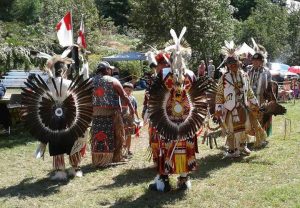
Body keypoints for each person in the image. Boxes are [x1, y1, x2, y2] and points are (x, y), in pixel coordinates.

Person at [147, 27, 216, 191]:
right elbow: (199, 98)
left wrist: (151, 114)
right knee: (182, 148)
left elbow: (154, 97)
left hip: (167, 121)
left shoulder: (163, 73)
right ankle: (183, 180)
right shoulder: (190, 74)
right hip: (184, 121)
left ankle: (164, 180)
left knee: (166, 148)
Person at [22, 57, 93, 180]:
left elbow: (38, 103)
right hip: (70, 119)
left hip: (51, 120)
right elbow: (78, 102)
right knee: (72, 142)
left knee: (56, 142)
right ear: (65, 70)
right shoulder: (69, 83)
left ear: (54, 70)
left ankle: (60, 171)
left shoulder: (47, 84)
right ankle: (75, 169)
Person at [214, 41, 267, 157]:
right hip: (229, 107)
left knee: (244, 126)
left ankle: (243, 146)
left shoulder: (244, 75)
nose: (233, 65)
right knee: (231, 129)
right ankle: (233, 149)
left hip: (243, 106)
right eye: (230, 64)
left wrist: (255, 103)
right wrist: (218, 108)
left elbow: (249, 91)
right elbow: (219, 94)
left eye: (235, 63)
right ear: (227, 65)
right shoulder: (223, 78)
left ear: (239, 63)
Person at [91, 61, 134, 167]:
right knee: (117, 136)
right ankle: (115, 157)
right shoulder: (113, 80)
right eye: (110, 69)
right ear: (106, 70)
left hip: (96, 114)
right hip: (112, 113)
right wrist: (132, 108)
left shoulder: (90, 81)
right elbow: (124, 95)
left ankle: (99, 159)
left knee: (98, 135)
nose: (111, 71)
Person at [248, 52, 276, 137]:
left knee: (262, 117)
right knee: (252, 116)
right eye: (254, 60)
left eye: (258, 60)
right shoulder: (249, 71)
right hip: (251, 99)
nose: (255, 62)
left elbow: (270, 87)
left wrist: (270, 99)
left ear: (261, 61)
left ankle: (262, 135)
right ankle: (254, 134)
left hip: (262, 98)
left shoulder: (266, 71)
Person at [121, 82, 140, 156]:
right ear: (122, 90)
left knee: (129, 135)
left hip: (130, 120)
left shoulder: (133, 99)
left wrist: (137, 117)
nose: (128, 92)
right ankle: (122, 150)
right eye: (126, 90)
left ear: (132, 91)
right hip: (122, 120)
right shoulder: (120, 98)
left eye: (129, 90)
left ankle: (128, 149)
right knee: (122, 135)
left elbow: (135, 109)